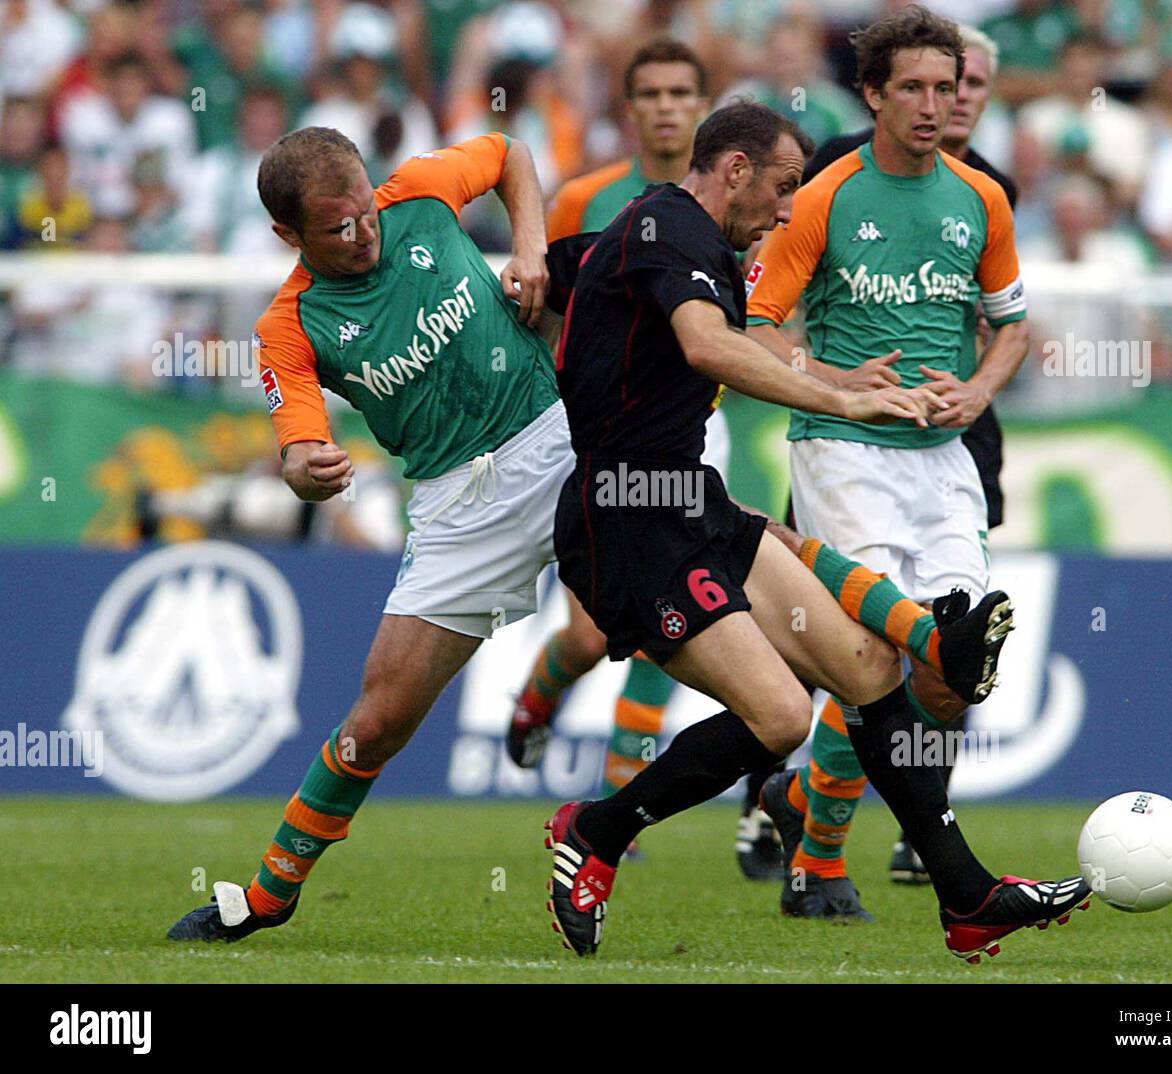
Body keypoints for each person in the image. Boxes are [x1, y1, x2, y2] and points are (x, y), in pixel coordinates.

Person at [543, 99, 1089, 962]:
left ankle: (966, 894)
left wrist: (527, 276)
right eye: (784, 186)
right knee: (781, 717)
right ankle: (599, 830)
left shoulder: (672, 237)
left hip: (690, 497)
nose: (791, 208)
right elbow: (708, 346)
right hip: (625, 516)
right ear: (733, 171)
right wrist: (841, 397)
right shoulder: (671, 227)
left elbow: (557, 272)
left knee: (869, 666)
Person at [166, 125, 568, 942]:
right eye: (337, 229)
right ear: (289, 236)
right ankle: (272, 892)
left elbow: (509, 152)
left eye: (363, 213)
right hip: (458, 505)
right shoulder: (291, 323)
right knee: (377, 720)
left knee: (706, 589)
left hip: (560, 436)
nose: (362, 234)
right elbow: (299, 444)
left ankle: (796, 798)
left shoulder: (417, 191)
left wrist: (530, 247)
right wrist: (306, 468)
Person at [745, 5, 1032, 918]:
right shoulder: (828, 194)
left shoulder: (981, 199)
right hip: (845, 452)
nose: (931, 103)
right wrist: (837, 380)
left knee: (950, 675)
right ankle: (820, 863)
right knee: (874, 654)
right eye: (911, 86)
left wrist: (979, 388)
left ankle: (800, 804)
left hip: (942, 454)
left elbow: (1014, 327)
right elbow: (757, 330)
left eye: (945, 87)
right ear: (871, 93)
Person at [505, 37, 783, 881]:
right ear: (629, 109)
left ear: (704, 110)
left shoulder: (747, 208)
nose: (665, 106)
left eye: (682, 92)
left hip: (702, 431)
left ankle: (617, 814)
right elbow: (544, 297)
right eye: (651, 93)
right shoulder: (596, 198)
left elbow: (759, 317)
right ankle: (539, 701)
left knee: (696, 618)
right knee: (590, 637)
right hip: (612, 439)